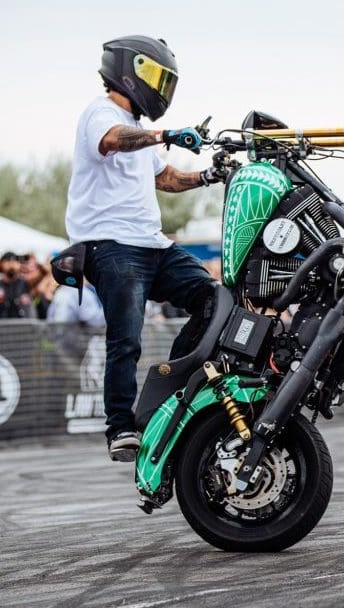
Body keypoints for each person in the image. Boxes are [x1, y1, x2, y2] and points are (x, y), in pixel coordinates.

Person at [66, 35, 228, 461]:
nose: (161, 88)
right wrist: (165, 133)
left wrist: (210, 175)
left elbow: (167, 178)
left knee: (215, 299)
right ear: (128, 70)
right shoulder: (102, 113)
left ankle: (172, 390)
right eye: (156, 77)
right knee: (126, 339)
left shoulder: (140, 130)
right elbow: (115, 139)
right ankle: (120, 427)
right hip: (112, 245)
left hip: (153, 244)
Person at [0, 251, 35, 319]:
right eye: (8, 261)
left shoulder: (26, 283)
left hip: (24, 326)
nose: (12, 264)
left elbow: (39, 278)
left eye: (15, 261)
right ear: (1, 264)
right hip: (2, 326)